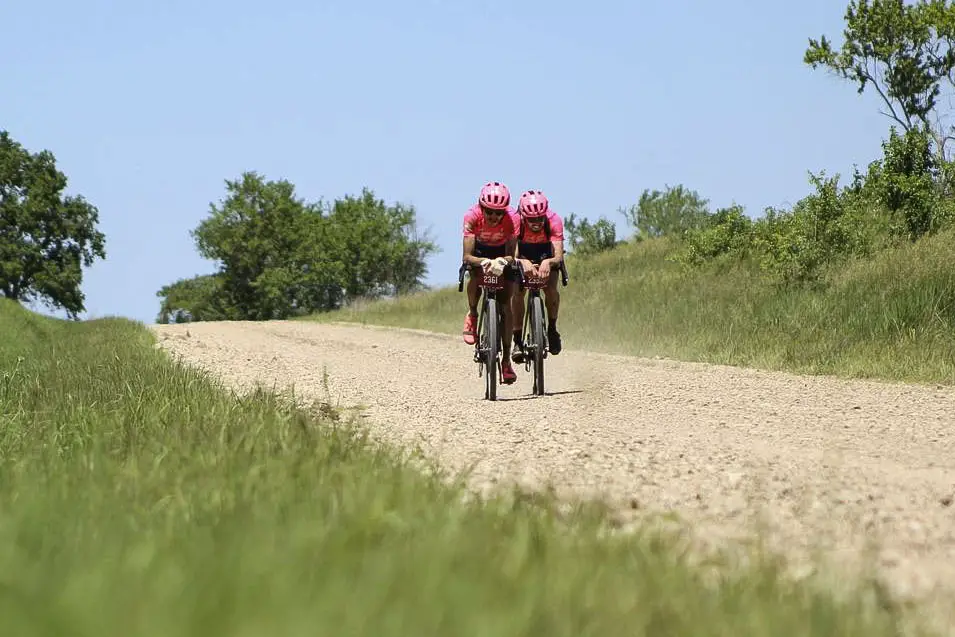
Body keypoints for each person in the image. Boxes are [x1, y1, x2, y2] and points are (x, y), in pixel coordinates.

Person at [461, 181, 519, 384]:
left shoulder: (513, 220)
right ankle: (473, 313)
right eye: (489, 212)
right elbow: (467, 256)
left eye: (498, 213)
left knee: (506, 304)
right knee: (475, 276)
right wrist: (483, 262)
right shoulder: (471, 216)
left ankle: (506, 361)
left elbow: (513, 255)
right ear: (481, 208)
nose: (493, 217)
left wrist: (503, 261)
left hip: (502, 252)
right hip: (480, 253)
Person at [510, 189, 564, 363]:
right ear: (524, 216)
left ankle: (552, 329)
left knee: (550, 289)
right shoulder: (516, 221)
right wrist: (522, 262)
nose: (536, 223)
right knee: (517, 294)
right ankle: (517, 340)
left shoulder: (554, 220)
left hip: (545, 254)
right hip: (523, 252)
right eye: (532, 219)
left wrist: (548, 262)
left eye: (540, 218)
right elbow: (513, 254)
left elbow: (558, 256)